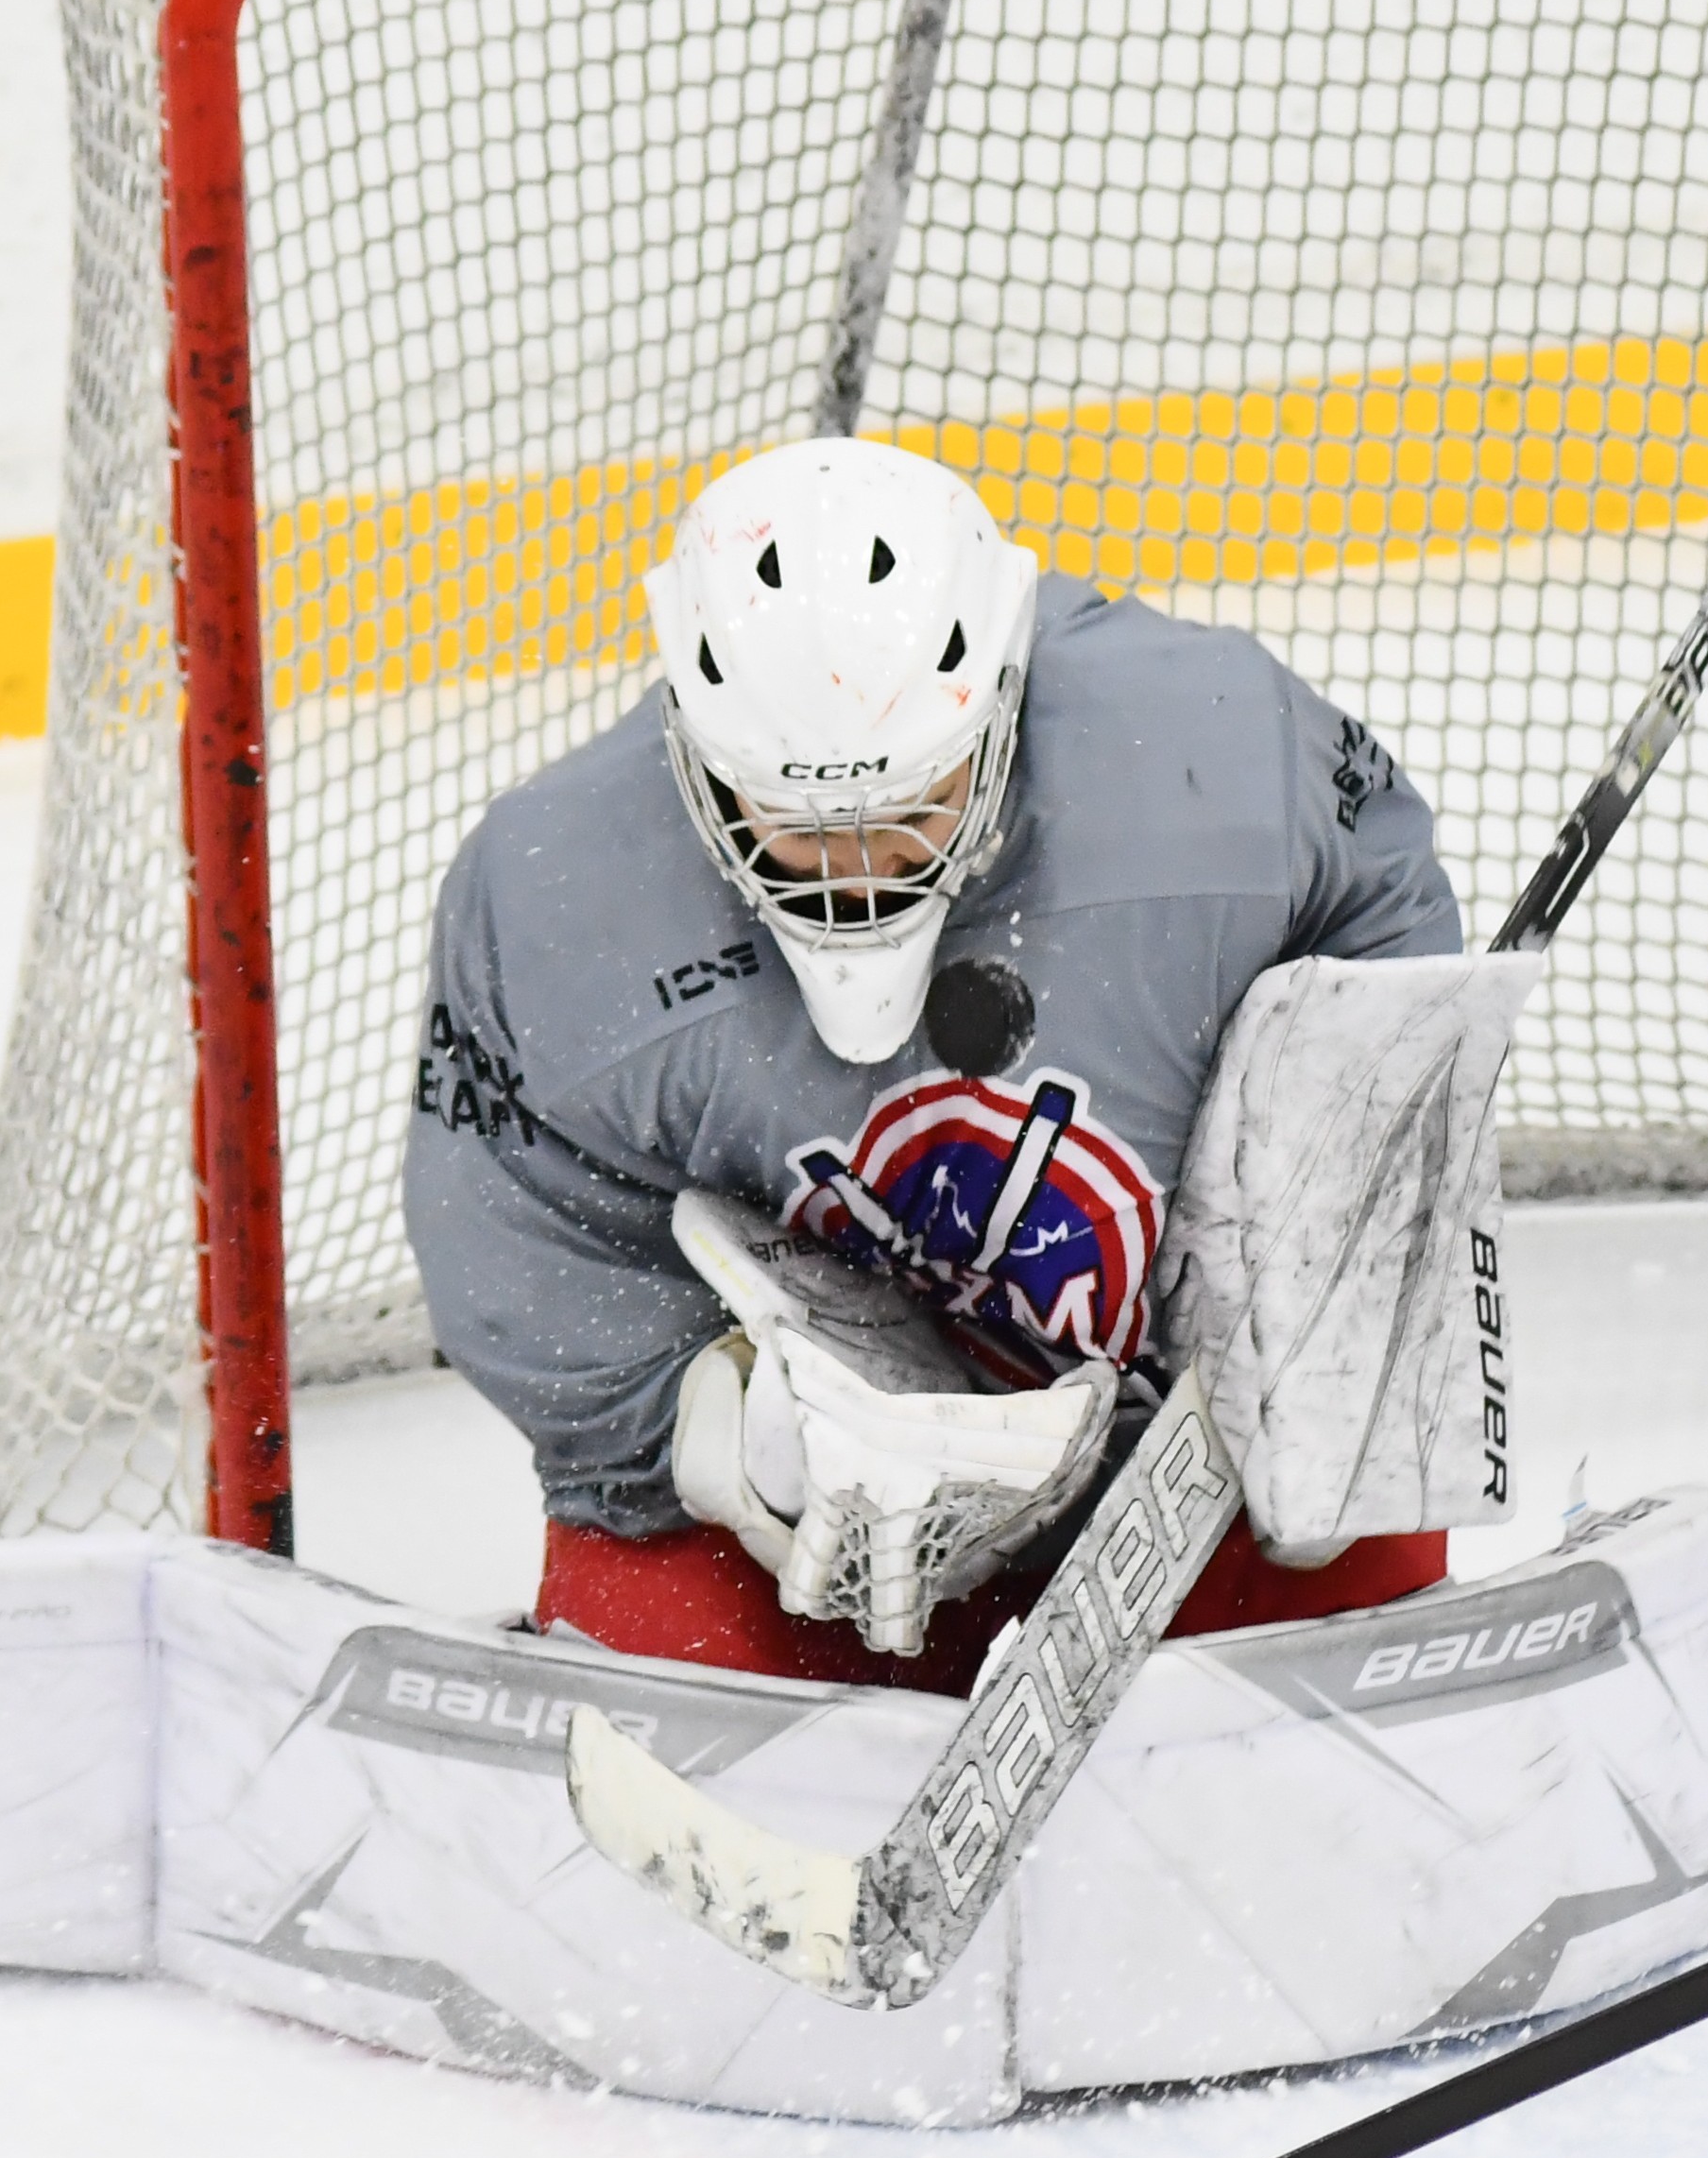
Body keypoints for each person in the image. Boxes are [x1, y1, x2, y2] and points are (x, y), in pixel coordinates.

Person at [406, 436, 1466, 1689]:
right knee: (652, 1676)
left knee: (1356, 1580)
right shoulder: (551, 900)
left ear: (1003, 698)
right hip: (827, 1536)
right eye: (797, 828)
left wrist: (1327, 1278)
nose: (860, 873)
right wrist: (722, 1425)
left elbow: (1387, 932)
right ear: (695, 758)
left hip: (1191, 1453)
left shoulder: (1227, 758)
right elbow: (520, 1235)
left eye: (911, 806)